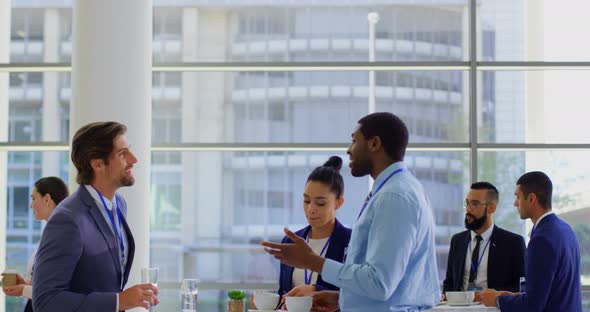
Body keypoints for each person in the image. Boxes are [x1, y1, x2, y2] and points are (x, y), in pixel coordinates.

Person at [261, 112, 440, 311]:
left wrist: (312, 261)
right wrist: (343, 298)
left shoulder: (394, 196)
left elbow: (379, 283)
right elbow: (392, 285)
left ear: (374, 144)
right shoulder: (402, 189)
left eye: (354, 141)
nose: (348, 150)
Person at [32, 121, 159, 312]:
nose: (134, 159)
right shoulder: (67, 219)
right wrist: (119, 301)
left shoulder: (120, 205)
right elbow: (46, 301)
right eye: (122, 154)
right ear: (97, 164)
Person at [251, 156, 352, 309]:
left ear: (339, 202)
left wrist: (316, 290)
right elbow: (285, 297)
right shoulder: (291, 242)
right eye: (306, 201)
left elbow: (358, 295)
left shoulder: (351, 242)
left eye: (320, 203)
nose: (311, 209)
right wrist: (264, 302)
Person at [476, 171, 583, 311]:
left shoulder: (541, 240)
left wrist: (497, 299)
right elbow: (552, 291)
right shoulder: (565, 229)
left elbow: (532, 307)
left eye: (518, 197)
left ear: (531, 198)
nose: (515, 203)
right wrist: (511, 296)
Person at [442, 182, 525, 294]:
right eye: (466, 203)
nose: (467, 209)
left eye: (474, 204)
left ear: (491, 208)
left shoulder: (513, 243)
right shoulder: (457, 240)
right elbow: (449, 282)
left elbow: (520, 287)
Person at [2, 177, 69, 312]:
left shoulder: (64, 236)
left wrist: (23, 290)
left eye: (33, 199)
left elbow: (56, 292)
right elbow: (45, 282)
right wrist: (25, 284)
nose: (31, 205)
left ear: (47, 199)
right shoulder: (50, 233)